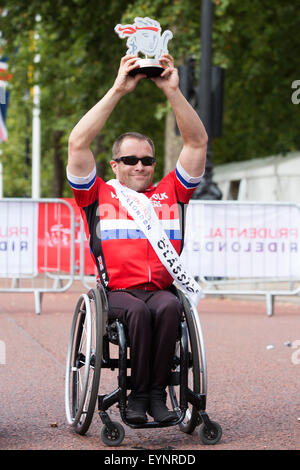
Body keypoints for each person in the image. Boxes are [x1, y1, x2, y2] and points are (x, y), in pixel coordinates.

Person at [67, 54, 207, 424]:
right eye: (129, 160)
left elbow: (196, 142)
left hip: (160, 289)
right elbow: (78, 143)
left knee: (167, 308)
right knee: (139, 313)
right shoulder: (97, 194)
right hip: (116, 294)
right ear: (114, 165)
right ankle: (137, 396)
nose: (139, 166)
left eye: (146, 160)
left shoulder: (172, 191)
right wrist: (118, 89)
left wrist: (173, 92)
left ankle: (156, 396)